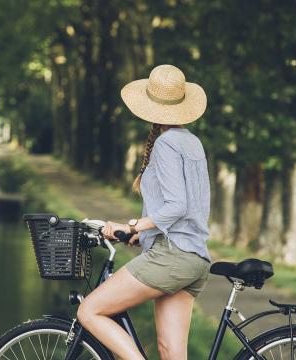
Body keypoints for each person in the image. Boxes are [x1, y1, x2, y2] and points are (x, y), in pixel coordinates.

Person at [76, 64, 212, 360]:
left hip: (172, 258)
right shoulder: (192, 142)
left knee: (89, 310)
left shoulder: (165, 144)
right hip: (195, 259)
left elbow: (178, 205)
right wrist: (145, 233)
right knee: (171, 351)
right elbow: (187, 209)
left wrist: (136, 225)